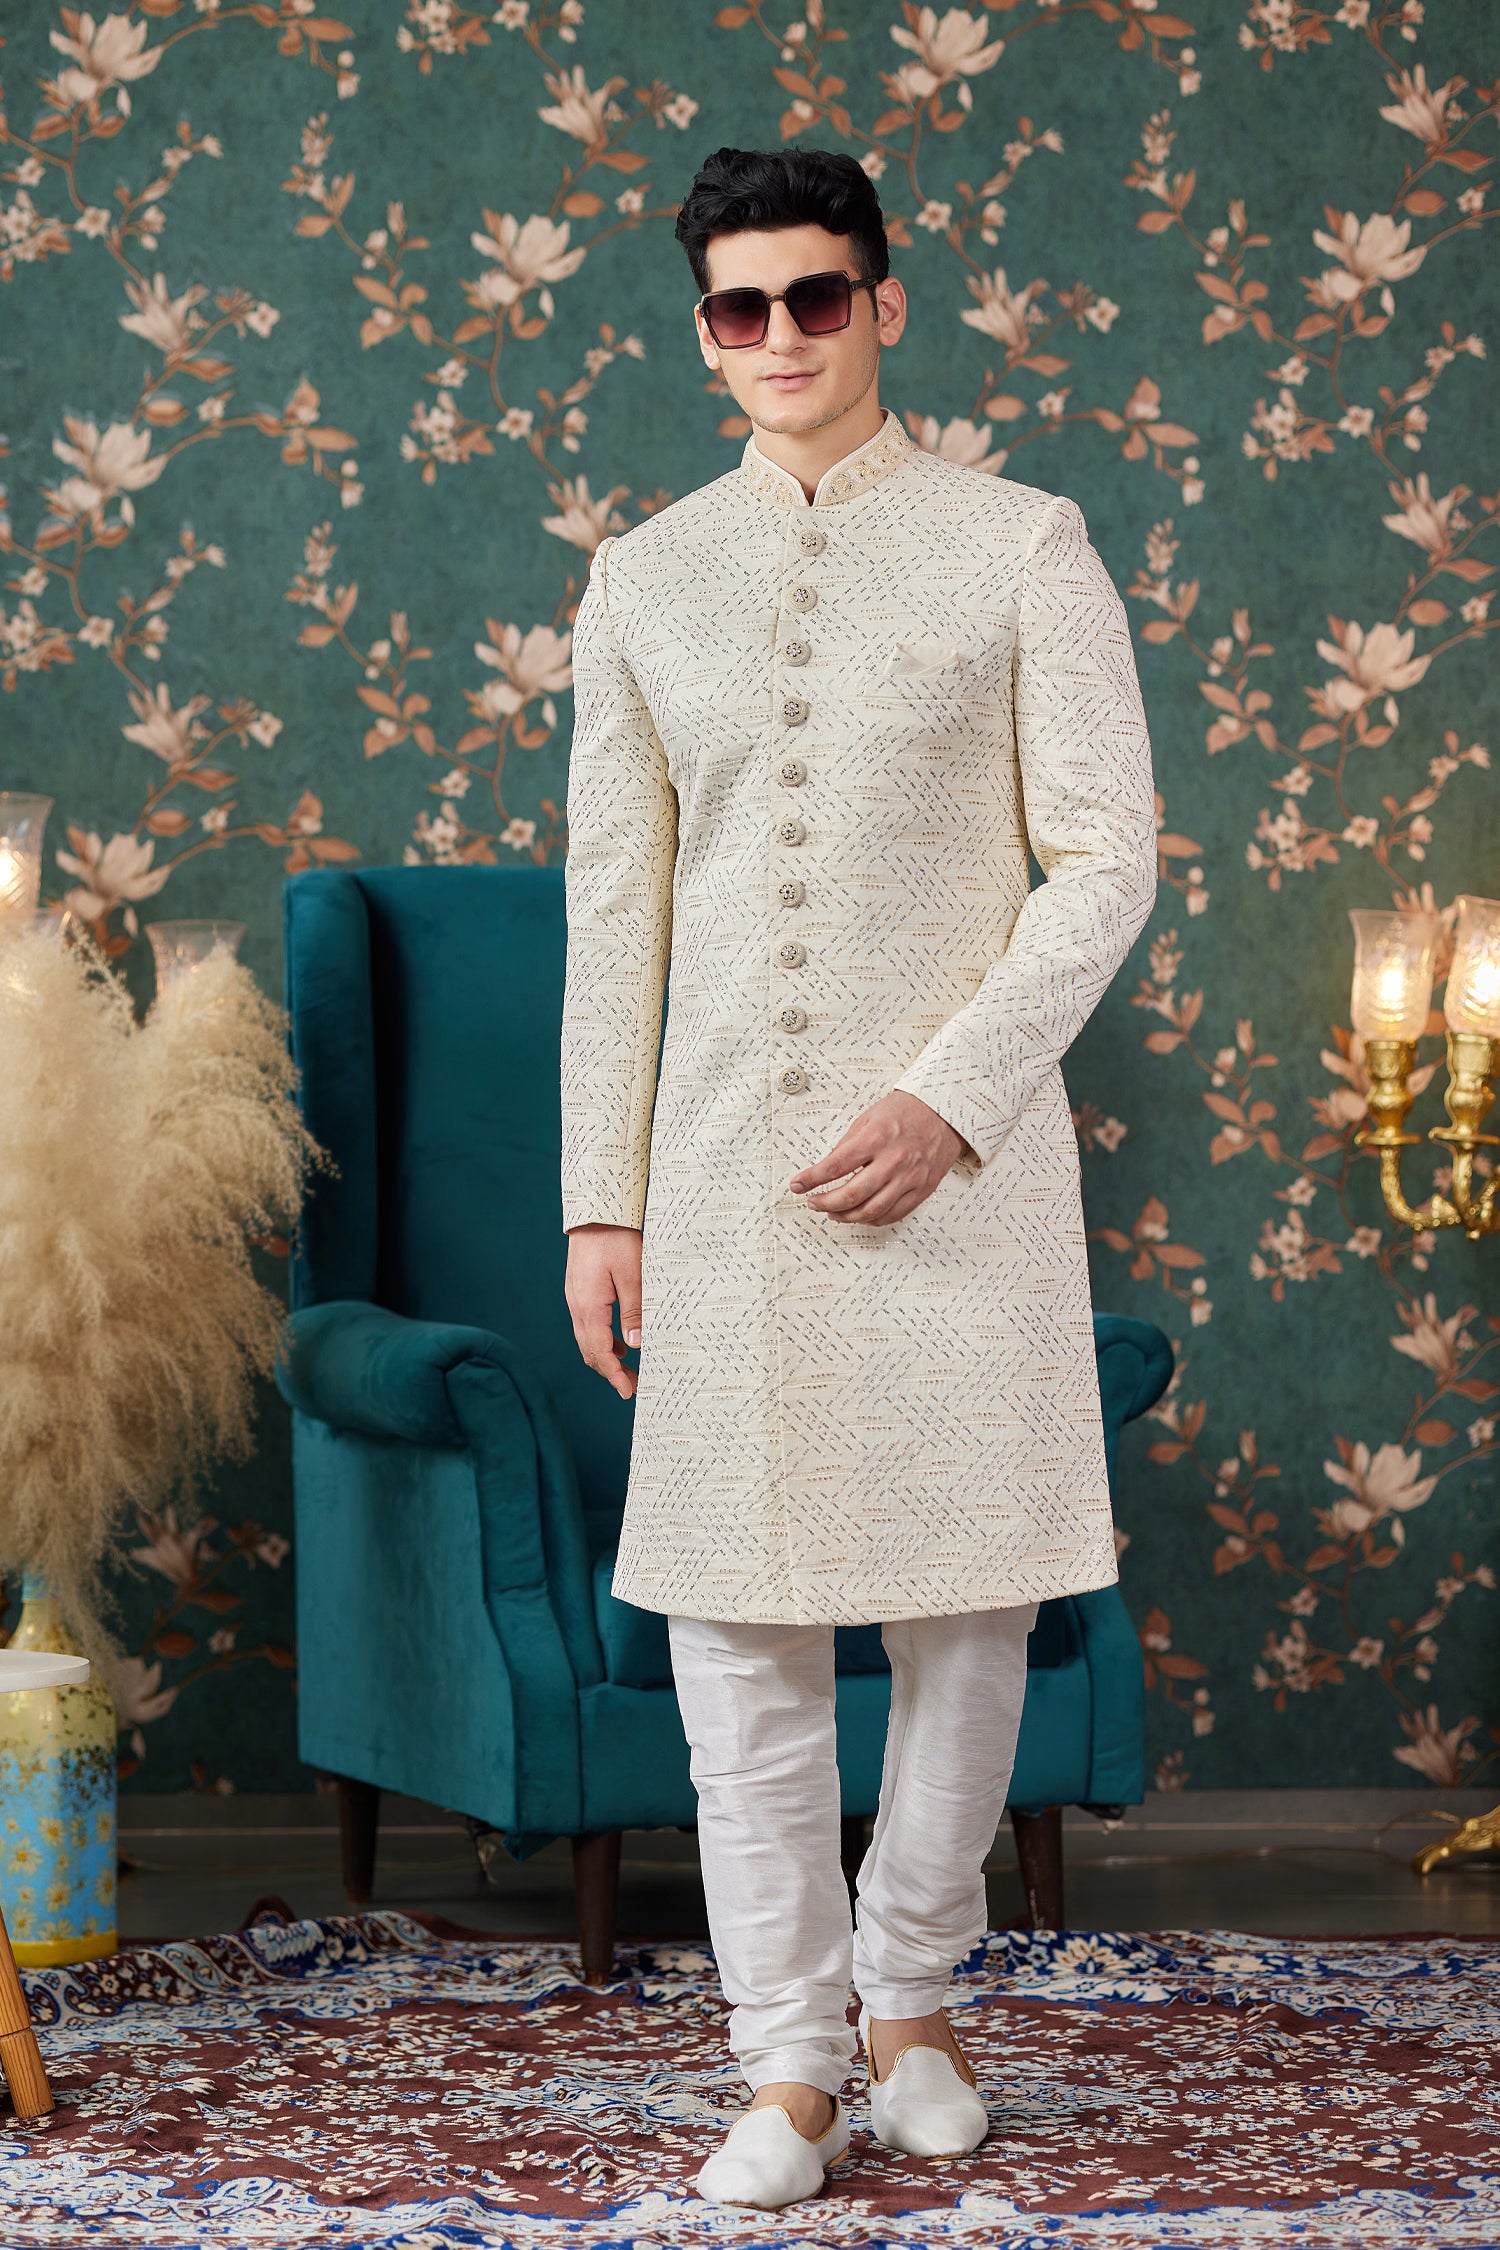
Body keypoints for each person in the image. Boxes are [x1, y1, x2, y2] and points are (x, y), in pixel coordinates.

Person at [559, 144, 1156, 2211]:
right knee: (737, 1635)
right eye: (744, 307)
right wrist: (602, 1201)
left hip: (961, 1181)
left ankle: (911, 1998)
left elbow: (1107, 862)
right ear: (704, 335)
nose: (785, 336)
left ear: (884, 305)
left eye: (819, 296)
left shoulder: (1021, 545)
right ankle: (788, 2062)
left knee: (969, 1615)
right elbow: (614, 915)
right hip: (725, 1179)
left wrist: (952, 1095)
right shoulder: (642, 579)